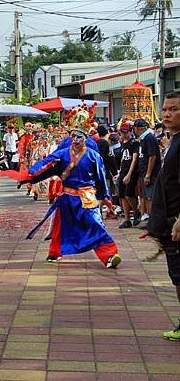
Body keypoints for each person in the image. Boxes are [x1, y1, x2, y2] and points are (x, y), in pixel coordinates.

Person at [20, 104, 122, 268]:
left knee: (95, 224)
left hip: (87, 194)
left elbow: (101, 178)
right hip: (67, 194)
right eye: (73, 136)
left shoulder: (94, 155)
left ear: (86, 138)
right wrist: (29, 176)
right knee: (60, 225)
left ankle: (110, 255)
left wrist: (105, 197)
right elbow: (46, 166)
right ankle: (55, 252)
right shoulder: (62, 152)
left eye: (79, 137)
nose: (75, 140)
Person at [148, 92, 180, 340]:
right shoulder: (173, 141)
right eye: (165, 109)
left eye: (175, 109)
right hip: (168, 222)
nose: (167, 114)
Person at [134, 118, 161, 225]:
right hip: (143, 171)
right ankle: (149, 218)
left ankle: (151, 219)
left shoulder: (149, 138)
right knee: (145, 196)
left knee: (150, 197)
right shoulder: (143, 139)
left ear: (137, 128)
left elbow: (152, 156)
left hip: (150, 173)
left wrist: (148, 174)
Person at [117, 123, 140, 229]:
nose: (123, 134)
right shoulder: (123, 143)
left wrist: (129, 174)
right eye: (122, 132)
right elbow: (123, 158)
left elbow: (134, 159)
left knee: (128, 195)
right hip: (123, 171)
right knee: (122, 196)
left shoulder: (134, 143)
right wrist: (120, 172)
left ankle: (136, 212)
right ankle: (126, 219)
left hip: (131, 172)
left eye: (125, 132)